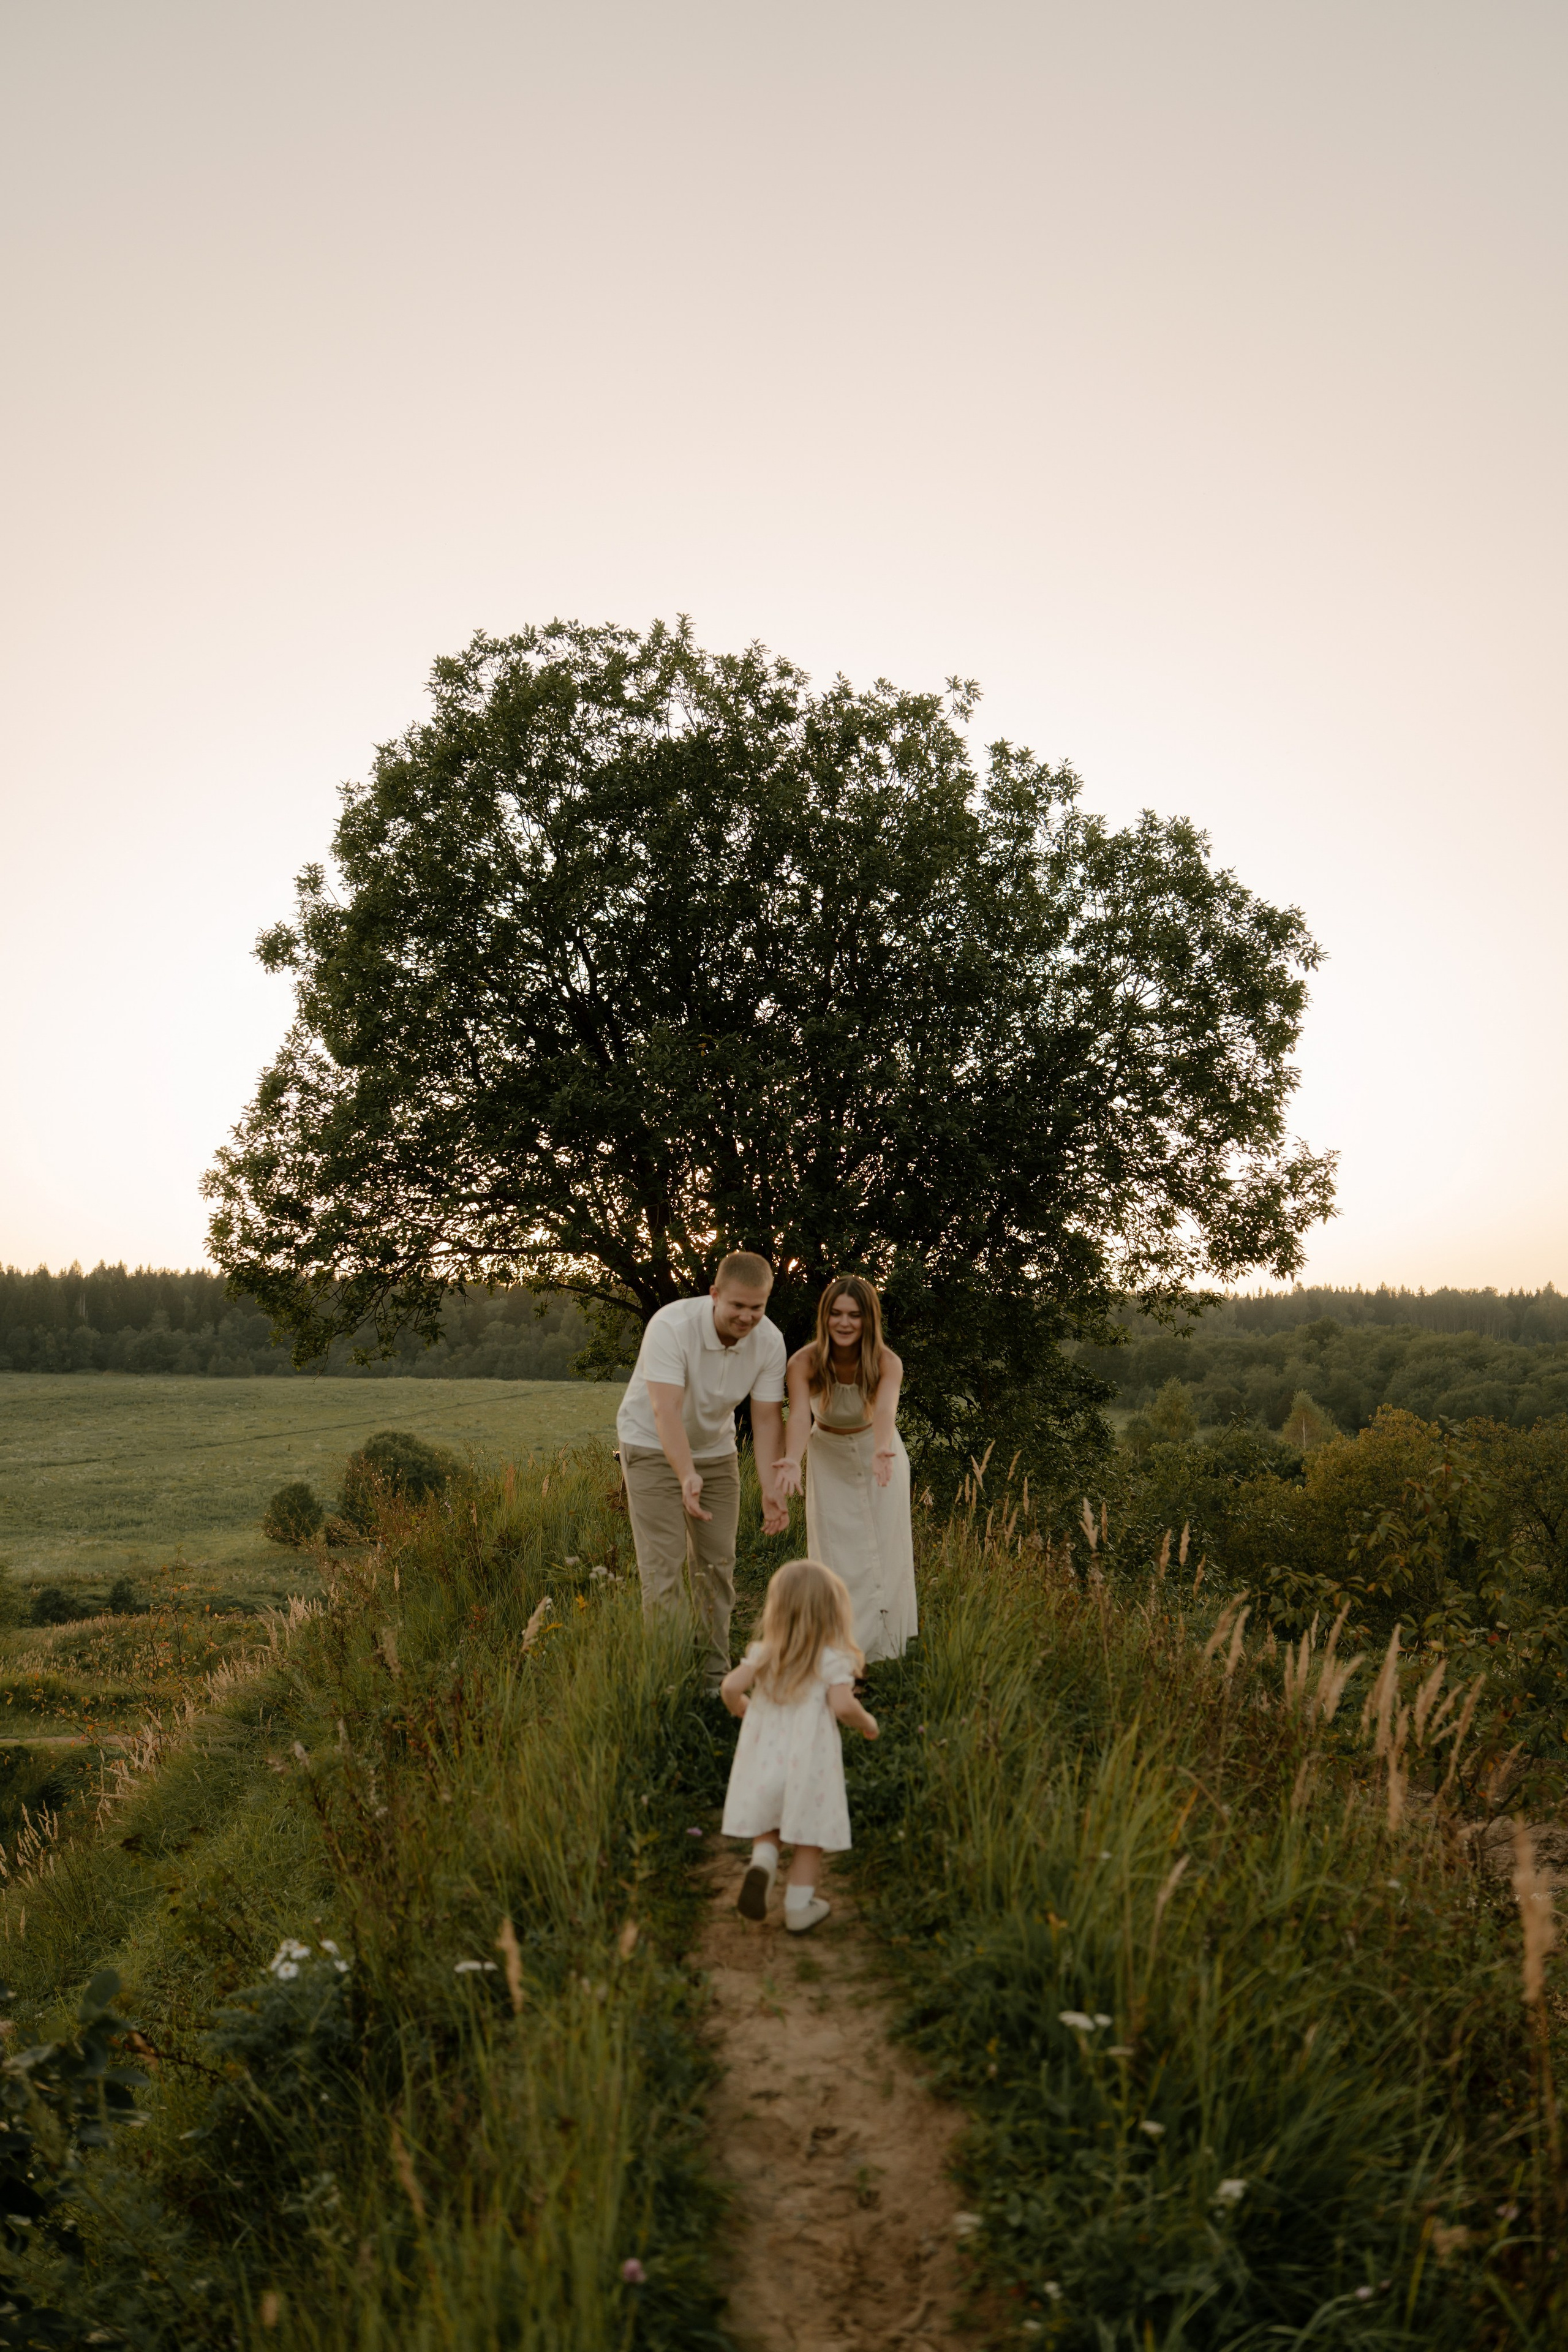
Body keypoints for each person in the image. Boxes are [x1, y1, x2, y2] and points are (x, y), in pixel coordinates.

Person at [616, 1251, 789, 1690]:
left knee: (718, 1565)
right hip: (651, 1444)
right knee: (665, 1567)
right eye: (737, 1306)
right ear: (715, 1295)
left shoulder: (770, 1341)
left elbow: (767, 1418)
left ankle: (713, 1676)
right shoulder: (671, 1326)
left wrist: (770, 1486)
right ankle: (669, 1678)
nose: (747, 1317)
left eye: (757, 1307)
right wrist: (686, 1473)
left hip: (716, 1451)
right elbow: (665, 1409)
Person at [719, 1556, 880, 1932]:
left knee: (770, 1824)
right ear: (831, 1613)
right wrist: (868, 1724)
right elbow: (843, 1705)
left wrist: (742, 1708)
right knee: (809, 1835)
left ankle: (762, 1864)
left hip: (765, 1761)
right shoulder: (832, 1660)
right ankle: (798, 1906)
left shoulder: (765, 1654)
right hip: (810, 1764)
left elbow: (729, 1687)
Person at [773, 1275, 918, 1662]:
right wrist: (792, 1458)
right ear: (825, 1316)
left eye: (854, 1315)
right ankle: (839, 1653)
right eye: (836, 1313)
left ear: (868, 1318)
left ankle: (886, 1648)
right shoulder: (803, 1362)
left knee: (885, 1552)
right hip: (828, 1456)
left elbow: (886, 1410)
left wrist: (883, 1449)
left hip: (880, 1457)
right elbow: (801, 1416)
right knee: (835, 1554)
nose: (844, 1322)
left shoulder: (887, 1362)